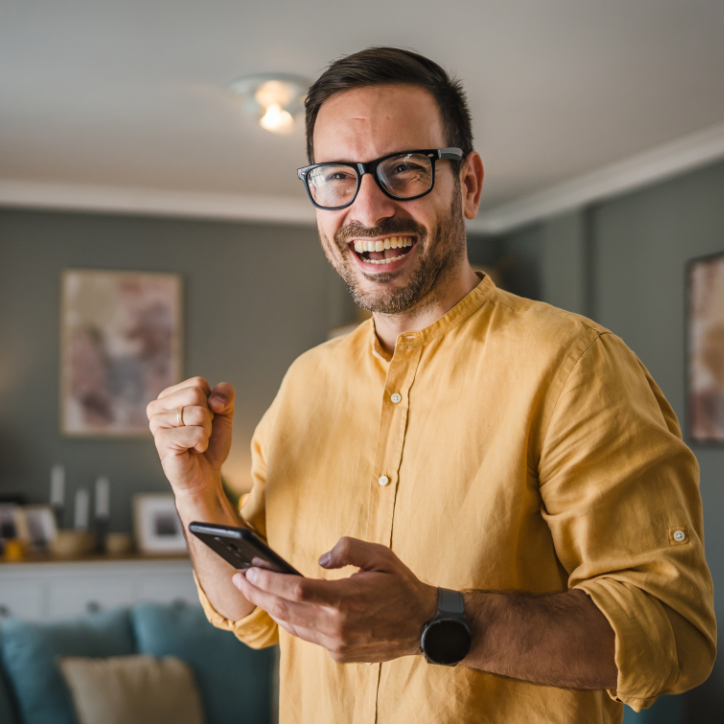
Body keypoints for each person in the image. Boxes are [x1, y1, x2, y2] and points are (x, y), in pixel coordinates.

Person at [147, 47, 716, 723]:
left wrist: (438, 620)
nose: (370, 208)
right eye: (338, 177)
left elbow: (672, 632)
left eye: (405, 170)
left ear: (467, 185)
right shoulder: (305, 384)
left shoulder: (574, 365)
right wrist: (197, 490)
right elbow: (250, 612)